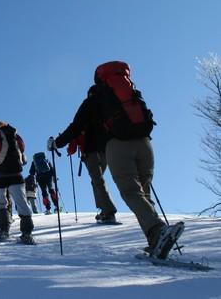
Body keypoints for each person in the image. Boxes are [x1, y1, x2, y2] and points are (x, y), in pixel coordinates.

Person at [47, 61, 184, 260]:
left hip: (118, 145)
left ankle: (157, 231)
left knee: (131, 192)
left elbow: (75, 126)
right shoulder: (130, 91)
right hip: (145, 144)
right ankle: (156, 240)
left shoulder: (94, 99)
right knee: (144, 192)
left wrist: (56, 143)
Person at [57, 85, 119, 224]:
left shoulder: (88, 107)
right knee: (97, 180)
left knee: (97, 180)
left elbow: (75, 130)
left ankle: (108, 212)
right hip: (107, 149)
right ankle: (104, 209)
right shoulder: (108, 106)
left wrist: (61, 145)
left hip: (90, 151)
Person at [0, 120, 35, 244]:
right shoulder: (14, 137)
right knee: (22, 203)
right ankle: (27, 234)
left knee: (1, 203)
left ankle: (4, 231)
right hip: (16, 175)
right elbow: (24, 159)